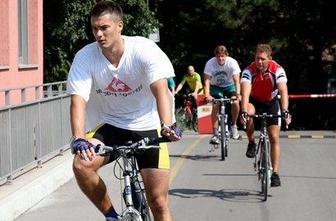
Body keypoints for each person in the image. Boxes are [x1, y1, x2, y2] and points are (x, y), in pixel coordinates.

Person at [66, 2, 181, 221]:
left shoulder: (143, 49)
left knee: (158, 202)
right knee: (81, 165)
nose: (98, 34)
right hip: (111, 125)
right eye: (94, 29)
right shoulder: (85, 56)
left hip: (149, 125)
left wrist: (167, 125)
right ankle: (112, 216)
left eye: (104, 27)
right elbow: (78, 100)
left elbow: (160, 89)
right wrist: (79, 138)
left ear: (120, 26)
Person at [240, 43, 291, 187]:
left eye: (262, 59)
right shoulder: (249, 71)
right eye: (257, 58)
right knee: (248, 113)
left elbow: (283, 91)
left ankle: (275, 173)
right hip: (254, 101)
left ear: (270, 58)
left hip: (271, 102)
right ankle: (251, 142)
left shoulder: (278, 70)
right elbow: (245, 93)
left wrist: (285, 110)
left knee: (274, 137)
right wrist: (243, 111)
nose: (259, 62)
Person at [203, 45, 241, 142]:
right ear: (215, 56)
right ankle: (215, 133)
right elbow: (207, 81)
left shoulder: (232, 63)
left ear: (226, 55)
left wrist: (238, 94)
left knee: (235, 103)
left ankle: (234, 125)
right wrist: (207, 95)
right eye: (218, 56)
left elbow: (237, 81)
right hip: (215, 87)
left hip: (229, 86)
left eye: (223, 56)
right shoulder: (210, 63)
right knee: (215, 105)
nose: (220, 58)